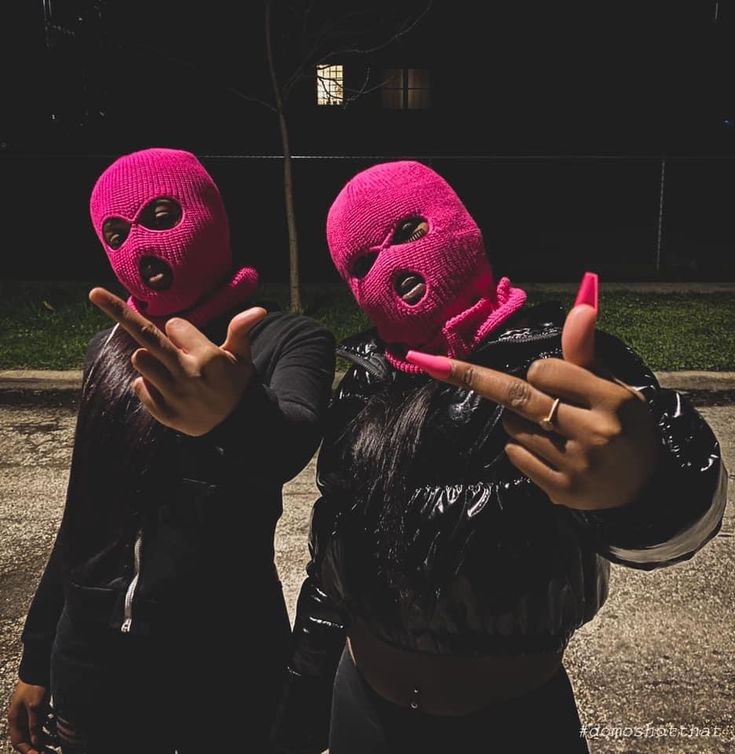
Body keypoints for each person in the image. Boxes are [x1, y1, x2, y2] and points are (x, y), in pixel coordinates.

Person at [272, 160, 727, 754]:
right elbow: (332, 561)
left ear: (462, 228)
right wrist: (301, 698)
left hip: (512, 725)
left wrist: (642, 487)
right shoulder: (365, 384)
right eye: (362, 263)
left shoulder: (562, 365)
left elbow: (684, 517)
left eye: (408, 230)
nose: (391, 265)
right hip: (360, 711)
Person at [7, 147, 335, 754]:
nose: (138, 244)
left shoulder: (285, 338)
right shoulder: (109, 349)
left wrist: (229, 415)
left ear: (209, 215)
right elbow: (84, 516)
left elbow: (287, 444)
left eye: (160, 215)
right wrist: (37, 656)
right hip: (92, 664)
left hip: (224, 663)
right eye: (115, 231)